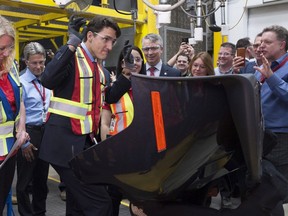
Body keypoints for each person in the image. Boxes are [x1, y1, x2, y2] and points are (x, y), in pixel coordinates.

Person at [38, 14, 131, 216]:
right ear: (89, 36)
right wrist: (71, 42)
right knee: (100, 204)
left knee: (77, 204)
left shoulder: (100, 70)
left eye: (113, 41)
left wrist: (127, 76)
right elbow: (47, 79)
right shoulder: (72, 58)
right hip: (64, 146)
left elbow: (108, 98)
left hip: (82, 145)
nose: (109, 45)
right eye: (105, 39)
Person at [101, 44, 145, 216]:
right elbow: (104, 123)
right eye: (129, 59)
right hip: (117, 153)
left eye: (138, 59)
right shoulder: (112, 90)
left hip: (141, 153)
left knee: (139, 201)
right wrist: (106, 149)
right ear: (121, 63)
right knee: (113, 197)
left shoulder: (149, 87)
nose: (134, 63)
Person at [16, 42, 51, 216]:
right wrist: (23, 142)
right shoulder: (20, 83)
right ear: (26, 62)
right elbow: (16, 115)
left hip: (45, 133)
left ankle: (40, 212)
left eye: (41, 62)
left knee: (41, 181)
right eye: (34, 63)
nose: (39, 67)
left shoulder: (48, 79)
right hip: (28, 133)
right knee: (24, 183)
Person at [254, 25, 288, 200]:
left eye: (267, 42)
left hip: (280, 137)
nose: (261, 46)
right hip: (261, 133)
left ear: (282, 44)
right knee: (264, 184)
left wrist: (271, 77)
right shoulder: (263, 66)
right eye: (260, 42)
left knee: (279, 186)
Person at [0, 15, 29, 214]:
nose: (5, 53)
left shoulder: (11, 68)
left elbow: (21, 102)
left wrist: (22, 127)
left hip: (9, 152)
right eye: (1, 48)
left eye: (9, 47)